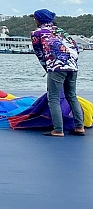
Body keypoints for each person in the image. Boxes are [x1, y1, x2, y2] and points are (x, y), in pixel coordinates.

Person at [31, 9, 84, 137]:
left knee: (53, 98)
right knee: (71, 95)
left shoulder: (37, 33)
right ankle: (79, 127)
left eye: (35, 18)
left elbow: (39, 53)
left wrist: (47, 68)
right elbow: (76, 48)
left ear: (39, 20)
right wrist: (72, 64)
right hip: (72, 67)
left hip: (56, 68)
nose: (34, 20)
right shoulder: (61, 32)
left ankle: (58, 129)